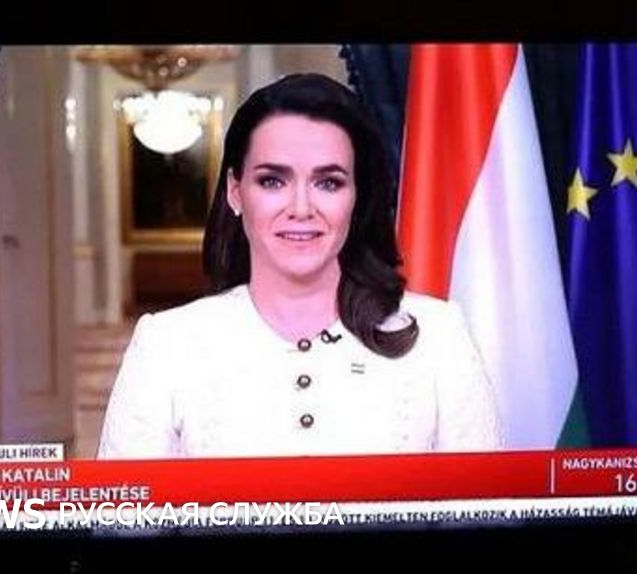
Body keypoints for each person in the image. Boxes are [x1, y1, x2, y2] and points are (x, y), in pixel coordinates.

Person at [98, 73, 502, 459]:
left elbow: (488, 502)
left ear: (358, 196)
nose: (301, 208)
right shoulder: (165, 346)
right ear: (236, 192)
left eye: (328, 182)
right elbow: (129, 506)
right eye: (273, 181)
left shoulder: (440, 338)